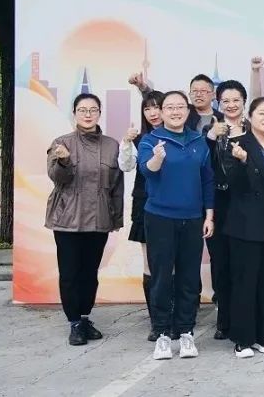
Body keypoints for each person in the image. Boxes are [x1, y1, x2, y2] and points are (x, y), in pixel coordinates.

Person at [138, 91, 215, 361]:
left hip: (192, 218)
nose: (175, 111)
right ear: (162, 112)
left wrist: (209, 216)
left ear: (188, 111)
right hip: (160, 217)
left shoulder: (198, 141)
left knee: (189, 277)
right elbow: (147, 170)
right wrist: (157, 158)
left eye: (180, 107)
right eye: (169, 107)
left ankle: (186, 332)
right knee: (161, 277)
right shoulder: (151, 140)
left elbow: (207, 180)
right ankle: (161, 333)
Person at [46, 94, 125, 347]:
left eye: (93, 110)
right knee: (70, 273)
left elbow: (117, 186)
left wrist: (116, 217)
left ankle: (84, 317)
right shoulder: (61, 143)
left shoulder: (111, 145)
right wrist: (64, 160)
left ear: (100, 113)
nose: (88, 114)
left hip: (99, 217)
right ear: (74, 114)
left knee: (90, 273)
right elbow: (58, 178)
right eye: (82, 110)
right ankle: (74, 323)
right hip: (68, 218)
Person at [223, 98, 264, 358]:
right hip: (245, 226)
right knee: (245, 282)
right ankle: (243, 339)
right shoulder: (237, 144)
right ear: (250, 116)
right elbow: (232, 184)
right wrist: (240, 162)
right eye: (262, 113)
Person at [204, 79, 249, 341]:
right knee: (221, 264)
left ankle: (245, 317)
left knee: (245, 263)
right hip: (219, 205)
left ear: (244, 102)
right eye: (226, 101)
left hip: (248, 205)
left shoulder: (255, 129)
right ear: (218, 104)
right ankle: (224, 319)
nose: (231, 105)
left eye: (236, 100)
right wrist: (211, 137)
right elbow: (203, 166)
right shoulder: (210, 132)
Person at [118, 90, 164, 342]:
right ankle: (156, 321)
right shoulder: (138, 139)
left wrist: (143, 86)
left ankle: (175, 316)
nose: (153, 113)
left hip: (174, 203)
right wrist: (126, 142)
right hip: (145, 202)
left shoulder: (181, 135)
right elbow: (126, 165)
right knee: (150, 264)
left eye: (157, 107)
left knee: (173, 263)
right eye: (148, 108)